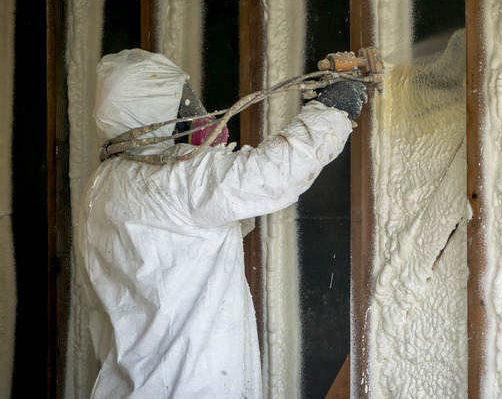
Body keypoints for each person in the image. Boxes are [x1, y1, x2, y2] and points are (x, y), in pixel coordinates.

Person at [74, 48, 366, 398]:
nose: (193, 114)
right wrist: (335, 107)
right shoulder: (178, 177)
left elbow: (207, 228)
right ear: (155, 108)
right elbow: (273, 174)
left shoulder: (99, 185)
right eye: (182, 103)